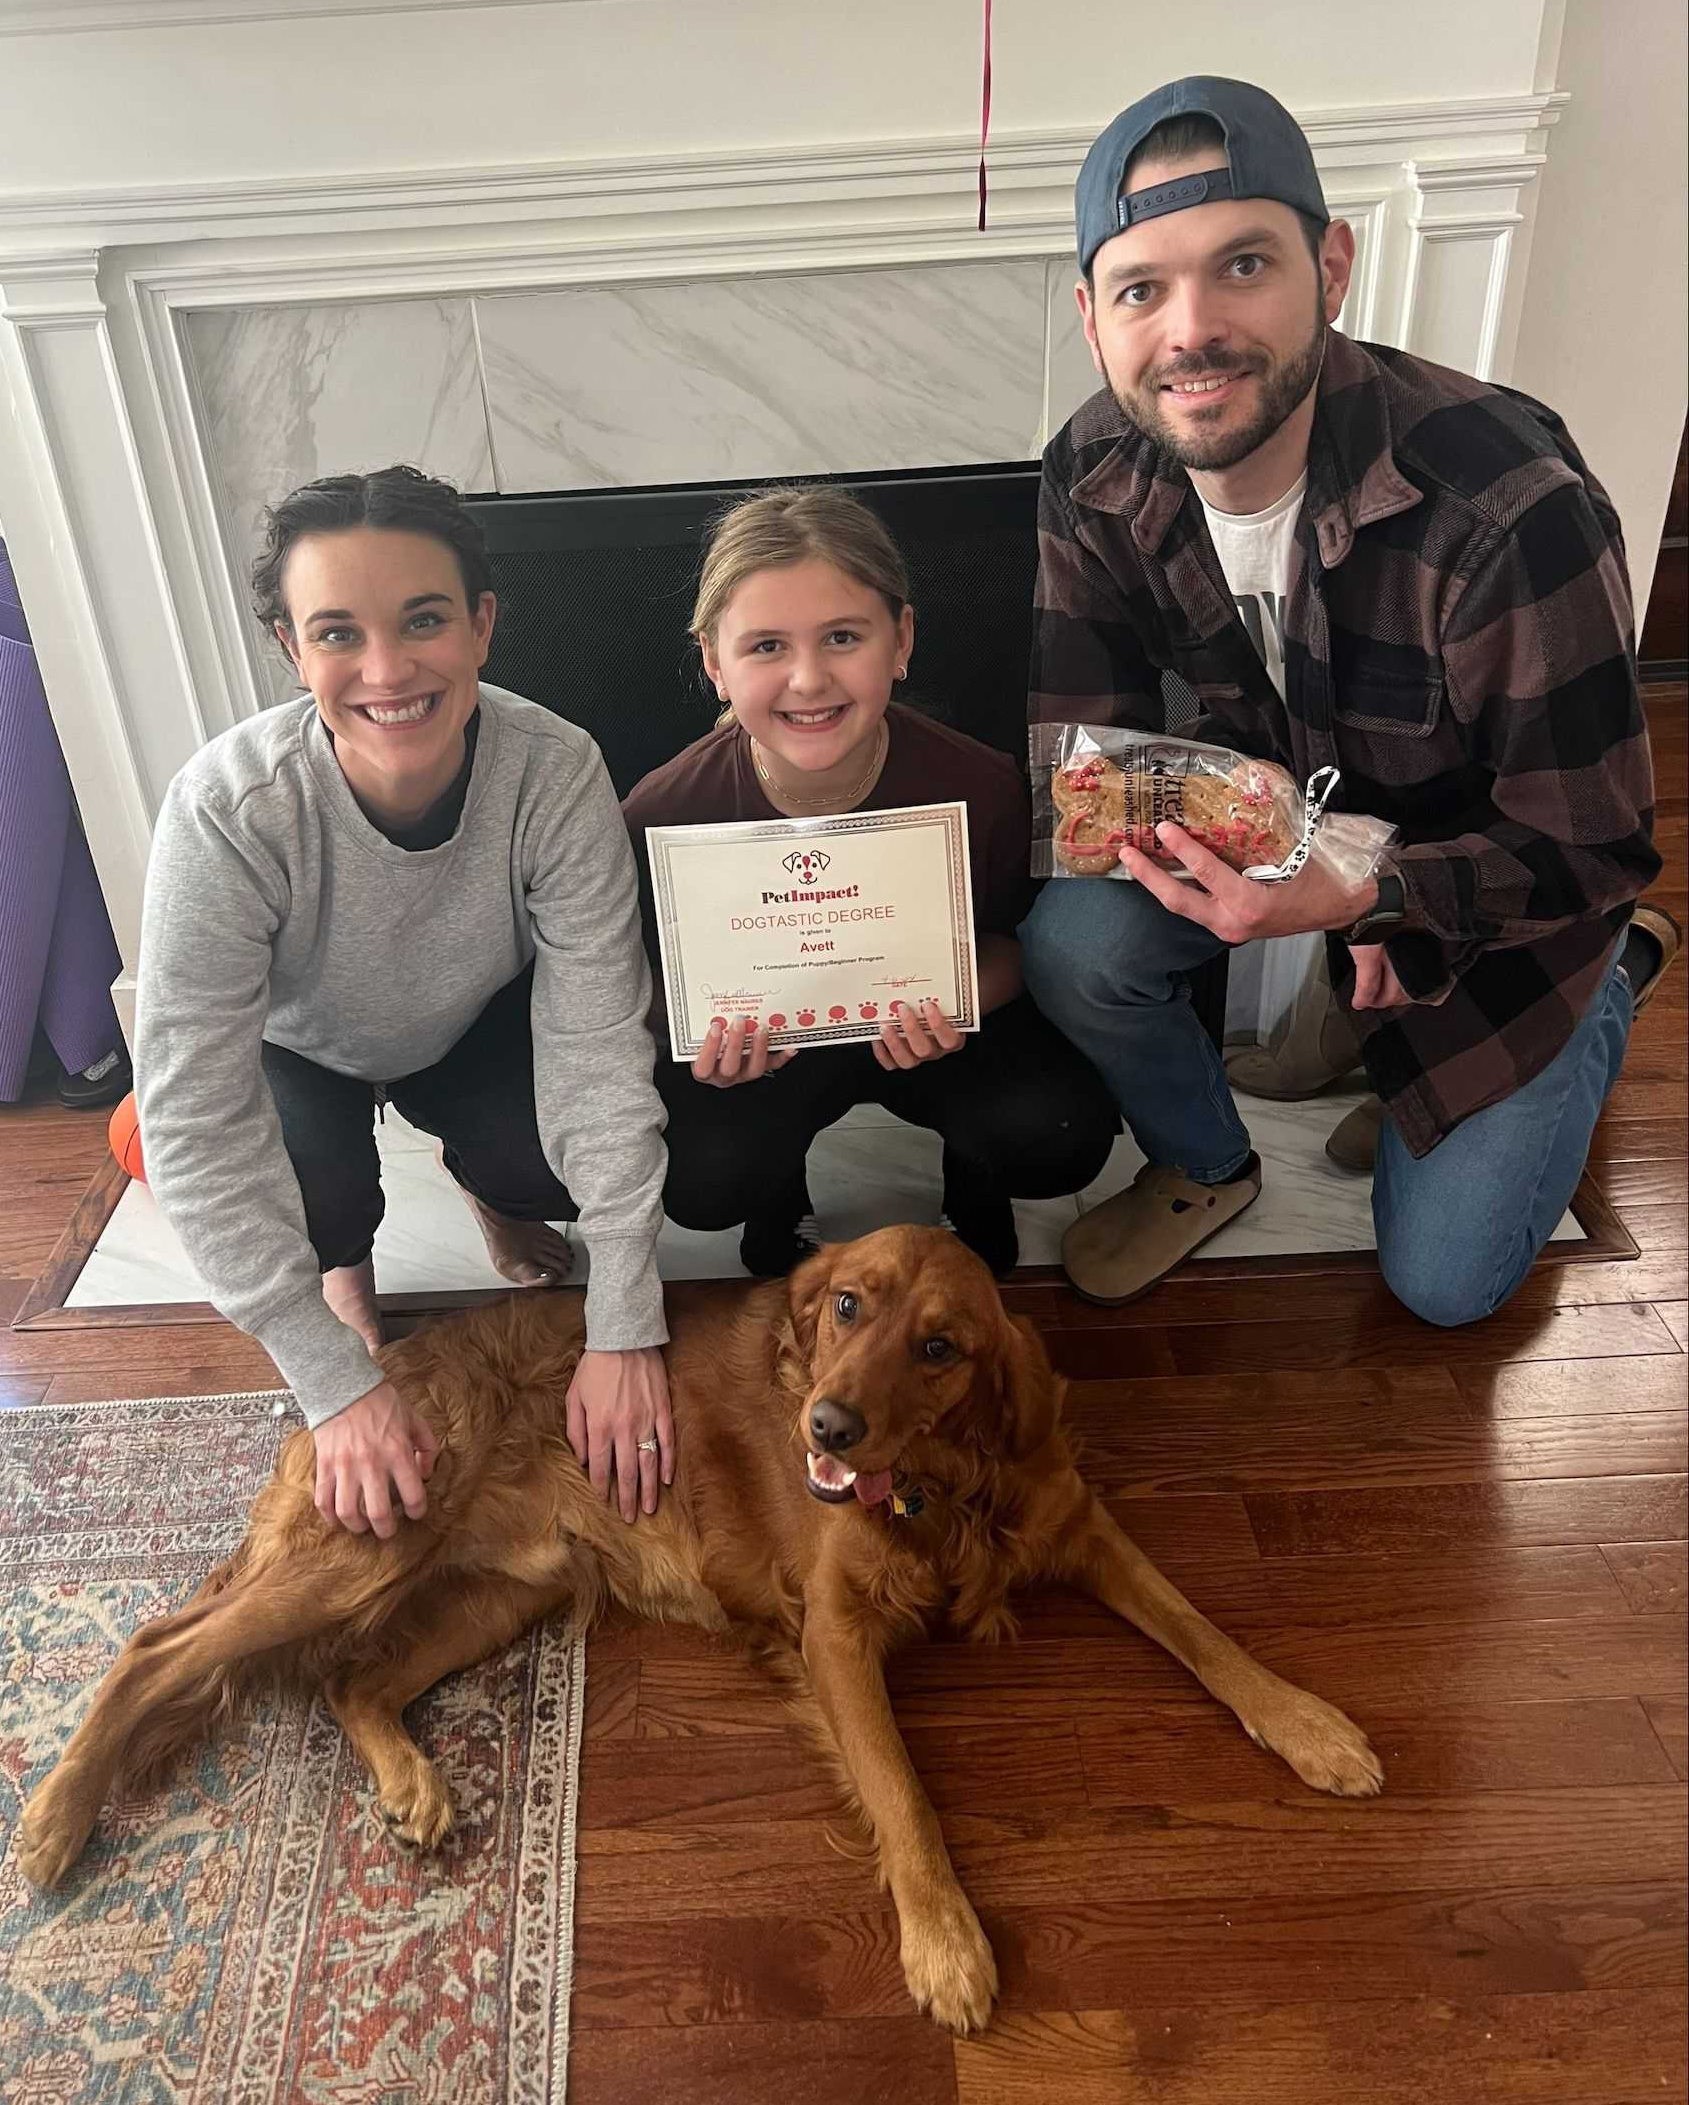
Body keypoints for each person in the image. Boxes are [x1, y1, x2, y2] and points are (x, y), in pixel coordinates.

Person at [1020, 76, 1677, 1321]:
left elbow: (1593, 841)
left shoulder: (1507, 503)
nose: (1191, 330)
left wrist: (1377, 897)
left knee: (1445, 1287)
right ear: (1093, 318)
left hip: (1497, 885)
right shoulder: (1091, 465)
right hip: (1285, 815)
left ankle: (1616, 983)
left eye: (1243, 264)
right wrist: (1190, 858)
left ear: (1330, 266)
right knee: (1078, 941)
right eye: (1141, 288)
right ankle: (1205, 1160)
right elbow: (1089, 753)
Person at [134, 466, 673, 1536]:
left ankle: (485, 1188)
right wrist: (328, 1376)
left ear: (481, 624)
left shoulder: (556, 771)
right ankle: (344, 1267)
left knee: (555, 1158)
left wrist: (624, 1326)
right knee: (311, 1196)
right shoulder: (225, 808)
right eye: (338, 633)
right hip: (301, 1043)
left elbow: (600, 1037)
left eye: (423, 618)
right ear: (291, 650)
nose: (387, 669)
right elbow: (193, 1107)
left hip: (470, 1023)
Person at [621, 487, 1118, 1276]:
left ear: (901, 640)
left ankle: (973, 1176)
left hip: (938, 1033)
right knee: (703, 1179)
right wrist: (691, 1032)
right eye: (766, 647)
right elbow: (632, 979)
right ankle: (777, 1195)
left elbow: (1031, 944)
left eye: (843, 637)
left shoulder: (980, 785)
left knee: (1053, 1136)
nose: (809, 679)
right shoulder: (662, 813)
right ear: (714, 662)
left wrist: (952, 995)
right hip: (768, 1053)